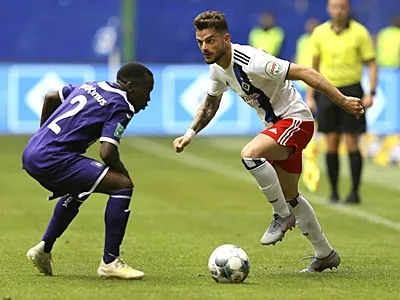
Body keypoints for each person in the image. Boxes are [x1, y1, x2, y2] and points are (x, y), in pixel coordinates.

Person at [173, 10, 364, 272]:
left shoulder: (252, 61)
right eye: (200, 42)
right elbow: (210, 104)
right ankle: (325, 253)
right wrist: (189, 133)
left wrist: (341, 101)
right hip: (278, 126)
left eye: (210, 41)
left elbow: (306, 71)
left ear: (225, 39)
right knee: (292, 196)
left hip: (296, 121)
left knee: (250, 154)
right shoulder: (218, 69)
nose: (204, 47)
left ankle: (281, 215)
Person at [23, 62, 154, 279]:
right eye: (147, 92)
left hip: (33, 150)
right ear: (131, 87)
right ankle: (110, 262)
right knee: (122, 185)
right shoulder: (122, 104)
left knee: (81, 188)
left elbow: (50, 97)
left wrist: (43, 134)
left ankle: (43, 249)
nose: (148, 100)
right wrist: (123, 172)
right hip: (54, 158)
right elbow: (107, 152)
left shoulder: (92, 85)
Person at [306, 0, 378, 204]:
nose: (339, 11)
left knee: (352, 140)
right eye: (335, 7)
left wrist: (371, 92)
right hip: (327, 90)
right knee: (331, 141)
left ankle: (355, 192)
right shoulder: (319, 33)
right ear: (329, 9)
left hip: (352, 89)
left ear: (348, 9)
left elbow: (372, 64)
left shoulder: (360, 32)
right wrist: (310, 96)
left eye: (342, 7)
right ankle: (334, 191)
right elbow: (313, 68)